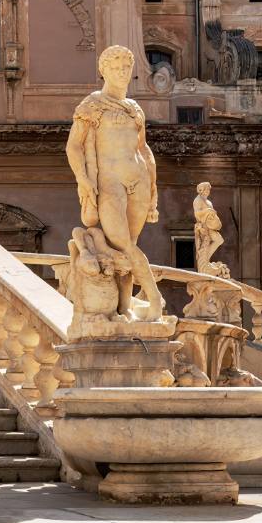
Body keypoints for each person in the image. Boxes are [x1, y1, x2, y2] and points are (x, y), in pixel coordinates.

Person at [65, 46, 165, 319]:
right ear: (103, 71)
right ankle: (155, 297)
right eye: (116, 68)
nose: (122, 73)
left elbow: (143, 149)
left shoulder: (135, 108)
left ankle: (123, 308)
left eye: (126, 68)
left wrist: (153, 187)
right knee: (123, 243)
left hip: (139, 179)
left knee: (126, 244)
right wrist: (83, 179)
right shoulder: (92, 105)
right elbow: (73, 146)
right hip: (110, 182)